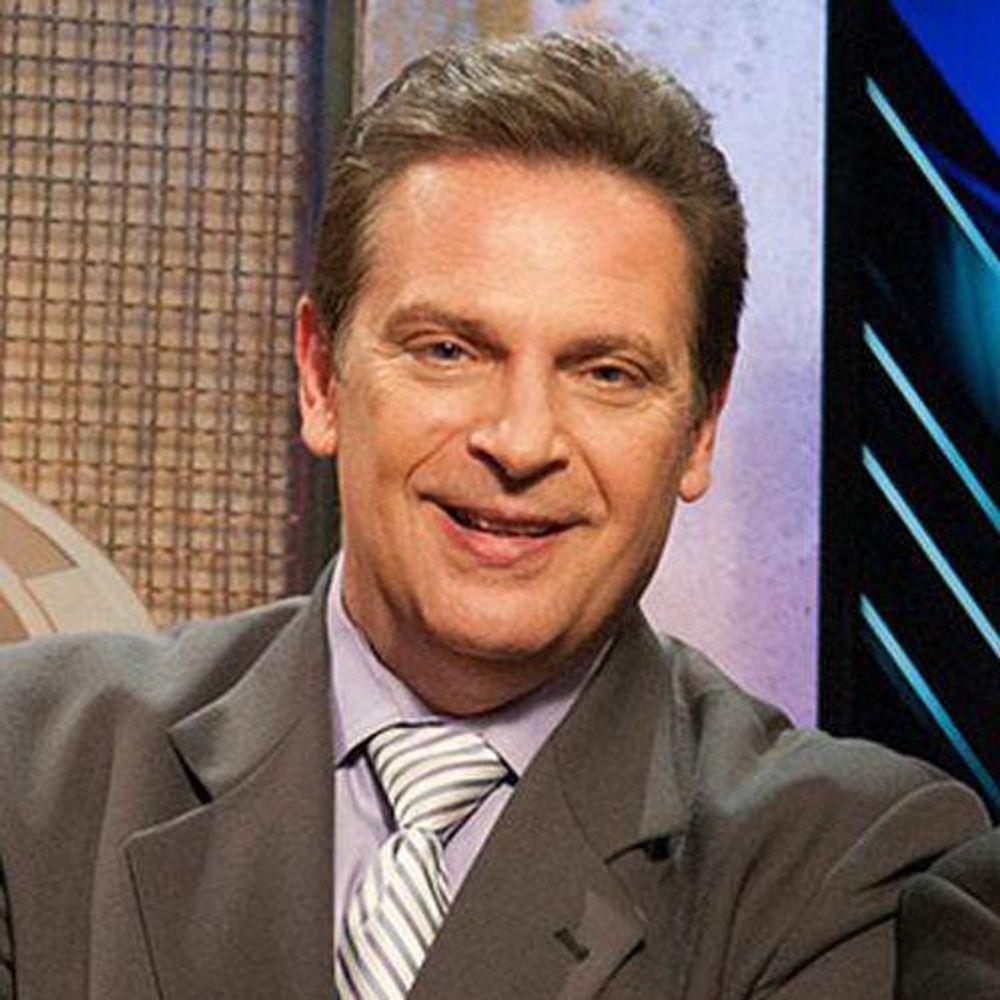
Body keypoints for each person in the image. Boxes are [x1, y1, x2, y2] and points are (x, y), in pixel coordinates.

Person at [0, 32, 990, 1000]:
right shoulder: (32, 767)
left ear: (700, 429)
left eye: (606, 373)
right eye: (448, 351)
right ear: (320, 377)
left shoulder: (835, 863)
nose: (520, 442)